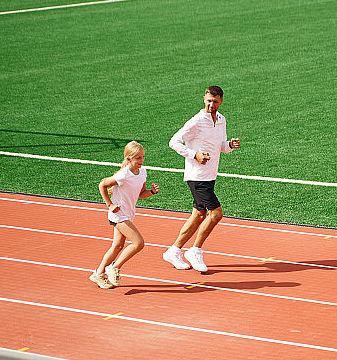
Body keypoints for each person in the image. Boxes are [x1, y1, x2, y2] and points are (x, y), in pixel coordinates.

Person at [163, 85, 240, 272]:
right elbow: (173, 142)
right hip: (196, 176)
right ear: (204, 99)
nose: (211, 104)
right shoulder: (196, 121)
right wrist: (194, 154)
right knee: (216, 214)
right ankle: (195, 251)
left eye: (215, 101)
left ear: (221, 101)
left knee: (199, 215)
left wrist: (229, 145)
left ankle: (173, 251)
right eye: (208, 101)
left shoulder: (221, 120)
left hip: (210, 175)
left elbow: (219, 145)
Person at [89, 141, 159, 289]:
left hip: (128, 214)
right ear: (128, 159)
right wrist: (110, 204)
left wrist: (152, 192)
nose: (141, 160)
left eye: (143, 157)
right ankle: (114, 267)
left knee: (117, 246)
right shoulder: (123, 174)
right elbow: (102, 185)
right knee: (138, 243)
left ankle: (98, 274)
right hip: (118, 214)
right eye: (138, 158)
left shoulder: (143, 172)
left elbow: (141, 194)